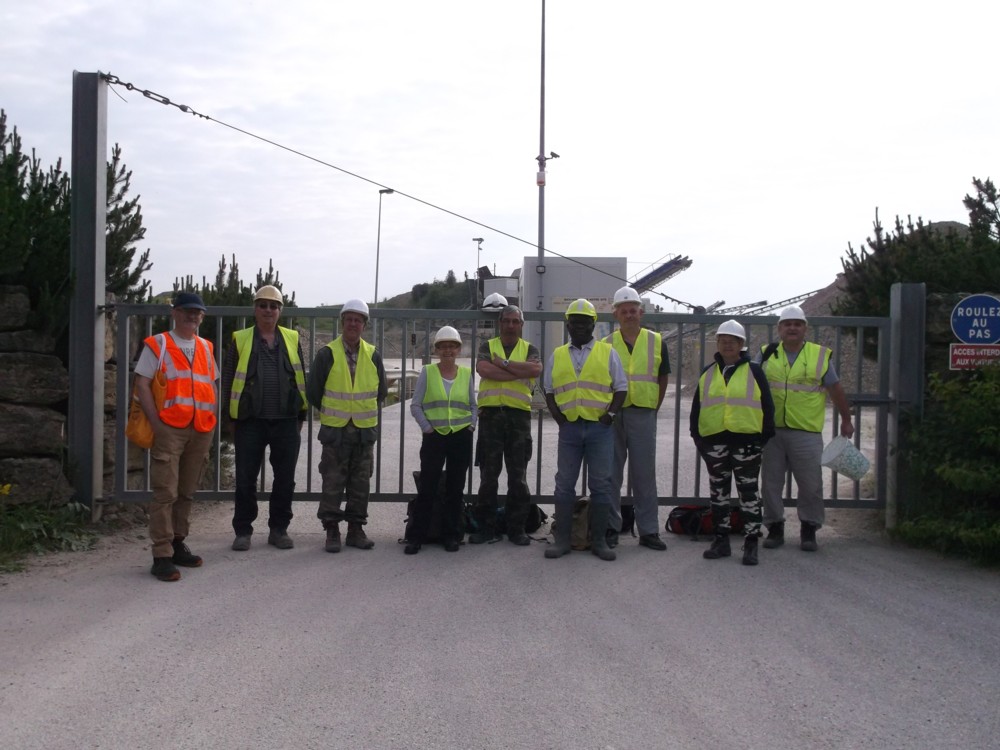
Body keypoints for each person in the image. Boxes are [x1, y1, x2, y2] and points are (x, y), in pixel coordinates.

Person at [133, 292, 218, 582]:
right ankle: (161, 554)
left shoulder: (206, 346)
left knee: (186, 491)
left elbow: (211, 384)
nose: (192, 316)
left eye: (197, 312)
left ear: (202, 317)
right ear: (175, 313)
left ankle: (178, 543)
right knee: (165, 492)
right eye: (187, 310)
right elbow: (142, 384)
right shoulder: (158, 344)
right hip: (169, 428)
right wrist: (156, 424)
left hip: (200, 428)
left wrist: (211, 418)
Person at [756, 305, 855, 552]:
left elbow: (835, 388)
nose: (792, 328)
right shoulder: (766, 354)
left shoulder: (818, 355)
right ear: (779, 328)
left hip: (806, 432)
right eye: (787, 324)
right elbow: (749, 383)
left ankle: (809, 529)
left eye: (797, 324)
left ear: (805, 329)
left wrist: (846, 418)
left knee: (811, 484)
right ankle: (774, 527)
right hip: (772, 431)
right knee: (770, 484)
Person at [221, 285, 308, 552]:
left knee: (285, 479)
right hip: (250, 420)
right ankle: (243, 531)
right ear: (255, 309)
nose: (268, 310)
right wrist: (230, 417)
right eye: (263, 305)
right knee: (245, 478)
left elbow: (300, 378)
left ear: (280, 311)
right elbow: (228, 379)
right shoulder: (240, 339)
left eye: (273, 306)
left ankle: (279, 530)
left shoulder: (291, 339)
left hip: (286, 420)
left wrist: (301, 415)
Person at [543, 298, 628, 562]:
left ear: (593, 325)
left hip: (599, 429)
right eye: (574, 322)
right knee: (564, 485)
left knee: (601, 485)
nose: (579, 326)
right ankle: (563, 540)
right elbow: (548, 390)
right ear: (567, 325)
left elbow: (621, 388)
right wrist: (558, 417)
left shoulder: (607, 352)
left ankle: (599, 541)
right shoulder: (557, 355)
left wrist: (609, 416)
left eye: (584, 322)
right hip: (569, 429)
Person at [690, 320, 775, 565]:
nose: (727, 345)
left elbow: (767, 407)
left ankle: (751, 542)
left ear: (741, 345)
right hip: (714, 442)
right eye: (723, 340)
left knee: (748, 493)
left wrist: (761, 439)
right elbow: (697, 408)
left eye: (732, 341)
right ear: (717, 343)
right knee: (719, 493)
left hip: (746, 443)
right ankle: (721, 540)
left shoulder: (754, 371)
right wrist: (698, 438)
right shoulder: (708, 372)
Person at [307, 299, 388, 553]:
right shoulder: (327, 354)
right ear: (342, 322)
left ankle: (356, 530)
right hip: (336, 431)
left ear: (364, 325)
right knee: (332, 481)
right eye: (349, 319)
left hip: (364, 431)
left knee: (360, 483)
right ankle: (332, 530)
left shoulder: (373, 355)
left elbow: (381, 392)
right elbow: (313, 391)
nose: (353, 324)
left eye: (358, 320)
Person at [604, 286, 671, 551]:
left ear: (641, 313)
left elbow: (663, 377)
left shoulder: (656, 341)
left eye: (633, 310)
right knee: (611, 473)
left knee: (644, 474)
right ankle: (611, 528)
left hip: (643, 411)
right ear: (616, 314)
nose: (629, 315)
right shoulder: (605, 344)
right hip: (613, 413)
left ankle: (649, 531)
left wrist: (654, 406)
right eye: (624, 311)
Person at [470, 304, 542, 546]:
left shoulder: (529, 348)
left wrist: (502, 364)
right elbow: (484, 369)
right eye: (507, 321)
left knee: (518, 477)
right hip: (490, 417)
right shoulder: (487, 347)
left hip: (518, 418)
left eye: (515, 321)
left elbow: (535, 369)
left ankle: (516, 529)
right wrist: (518, 371)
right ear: (499, 323)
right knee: (488, 476)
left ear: (521, 325)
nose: (511, 325)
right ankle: (485, 528)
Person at [405, 326, 477, 555]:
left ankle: (451, 535)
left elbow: (473, 405)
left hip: (460, 436)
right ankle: (417, 536)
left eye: (452, 346)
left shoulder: (466, 374)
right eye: (443, 347)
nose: (448, 350)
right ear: (436, 350)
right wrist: (427, 428)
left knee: (455, 488)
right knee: (428, 487)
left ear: (458, 349)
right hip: (434, 437)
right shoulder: (428, 372)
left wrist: (471, 426)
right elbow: (416, 405)